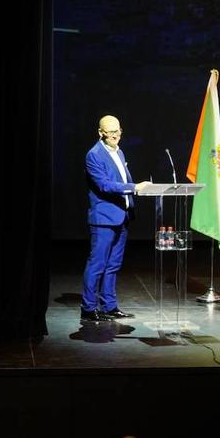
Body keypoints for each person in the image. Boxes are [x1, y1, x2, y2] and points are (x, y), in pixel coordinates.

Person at [81, 115, 150, 321]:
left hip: (122, 216)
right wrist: (134, 187)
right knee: (97, 264)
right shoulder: (94, 155)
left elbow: (121, 179)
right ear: (100, 133)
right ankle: (88, 308)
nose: (115, 136)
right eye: (111, 132)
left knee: (113, 264)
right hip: (104, 218)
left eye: (118, 131)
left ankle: (109, 306)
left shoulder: (118, 151)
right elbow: (104, 185)